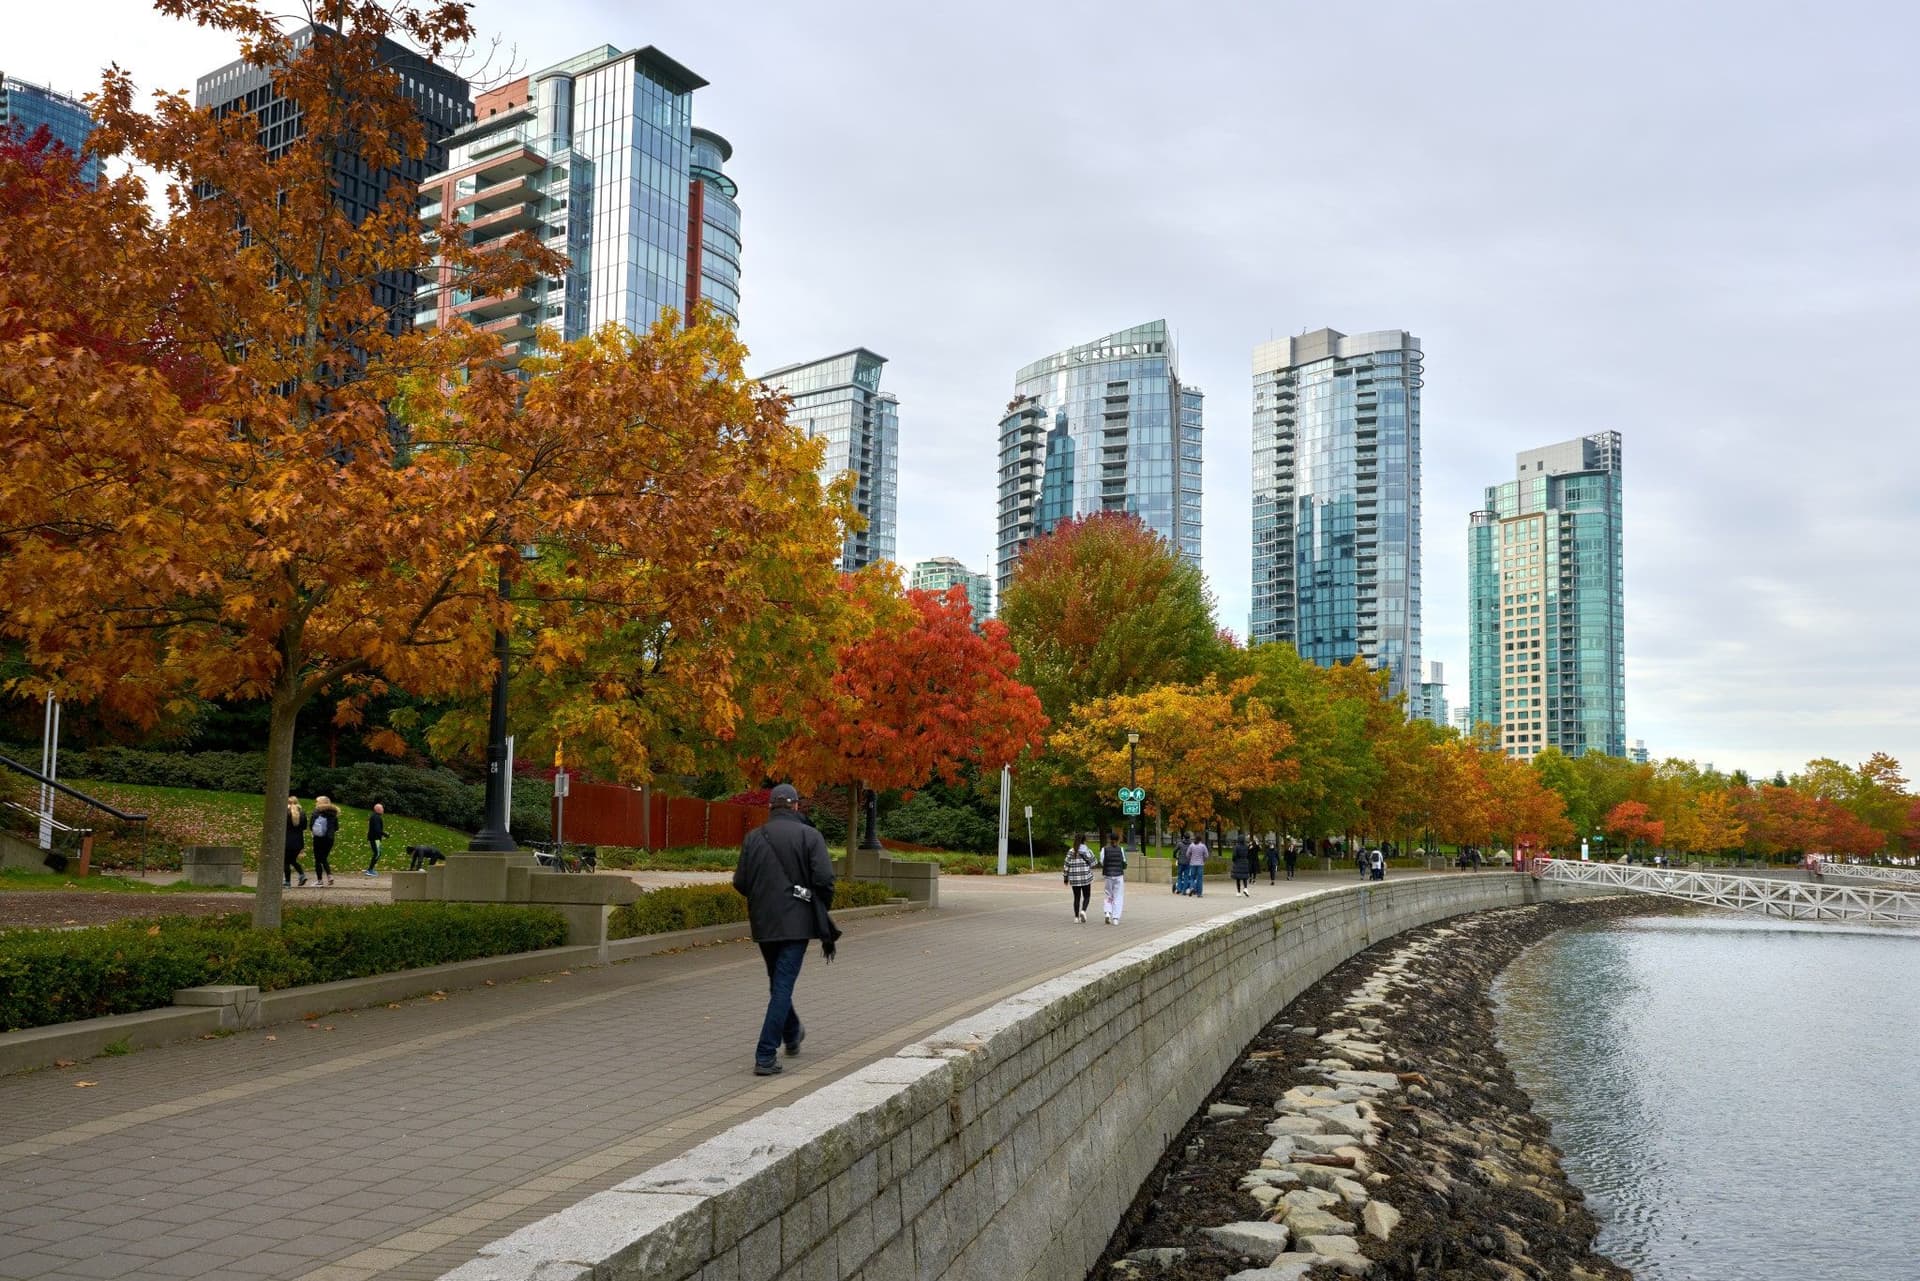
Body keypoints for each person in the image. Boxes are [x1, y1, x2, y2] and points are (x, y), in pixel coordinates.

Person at [731, 783, 835, 1076]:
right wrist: (817, 904)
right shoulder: (810, 836)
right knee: (782, 985)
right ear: (796, 806)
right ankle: (765, 1054)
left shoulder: (754, 837)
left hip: (764, 922)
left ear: (770, 807)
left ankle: (792, 1033)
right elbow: (825, 878)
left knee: (777, 982)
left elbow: (740, 882)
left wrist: (764, 898)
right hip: (797, 922)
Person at [1063, 834, 1096, 923]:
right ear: (1084, 840)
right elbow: (1094, 863)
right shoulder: (1087, 851)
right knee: (1087, 896)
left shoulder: (1071, 851)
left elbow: (1066, 865)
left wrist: (1065, 877)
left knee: (1076, 897)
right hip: (1085, 877)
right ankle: (1083, 911)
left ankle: (1076, 918)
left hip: (1074, 878)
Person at [309, 795, 341, 886]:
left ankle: (319, 881)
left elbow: (311, 825)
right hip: (330, 839)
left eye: (317, 801)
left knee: (318, 859)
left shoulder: (316, 812)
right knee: (323, 858)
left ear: (320, 803)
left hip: (319, 838)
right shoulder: (333, 813)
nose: (315, 803)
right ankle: (329, 876)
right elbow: (336, 827)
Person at [1099, 831, 1128, 924]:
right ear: (1118, 840)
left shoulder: (1104, 849)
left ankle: (1107, 912)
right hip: (1118, 875)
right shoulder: (1121, 849)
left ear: (1109, 839)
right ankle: (1115, 918)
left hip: (1108, 875)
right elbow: (1124, 862)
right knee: (1118, 896)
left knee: (1108, 894)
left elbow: (1102, 861)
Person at [283, 796, 308, 888]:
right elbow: (304, 827)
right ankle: (302, 875)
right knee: (292, 860)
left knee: (285, 862)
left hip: (287, 841)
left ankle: (287, 882)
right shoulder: (302, 813)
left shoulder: (285, 813)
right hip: (298, 842)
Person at [362, 803, 387, 876]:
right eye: (382, 808)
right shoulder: (376, 817)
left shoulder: (375, 816)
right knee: (377, 853)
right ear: (378, 809)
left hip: (374, 838)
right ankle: (370, 870)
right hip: (375, 838)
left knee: (377, 853)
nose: (383, 809)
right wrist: (384, 834)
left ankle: (370, 869)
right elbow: (377, 829)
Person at [1184, 832, 1209, 897]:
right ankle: (1199, 893)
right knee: (1199, 879)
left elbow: (1187, 854)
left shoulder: (1191, 845)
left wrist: (1190, 858)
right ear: (1200, 839)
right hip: (1200, 864)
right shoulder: (1203, 846)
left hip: (1192, 864)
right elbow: (1206, 855)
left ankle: (1192, 887)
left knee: (1192, 877)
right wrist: (1203, 859)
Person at [1230, 833, 1253, 897]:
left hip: (1238, 863)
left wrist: (1234, 860)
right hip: (1244, 862)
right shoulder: (1246, 847)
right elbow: (1247, 854)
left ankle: (1238, 892)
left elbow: (1234, 856)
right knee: (1244, 877)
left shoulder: (1236, 847)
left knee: (1238, 878)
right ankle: (1245, 888)